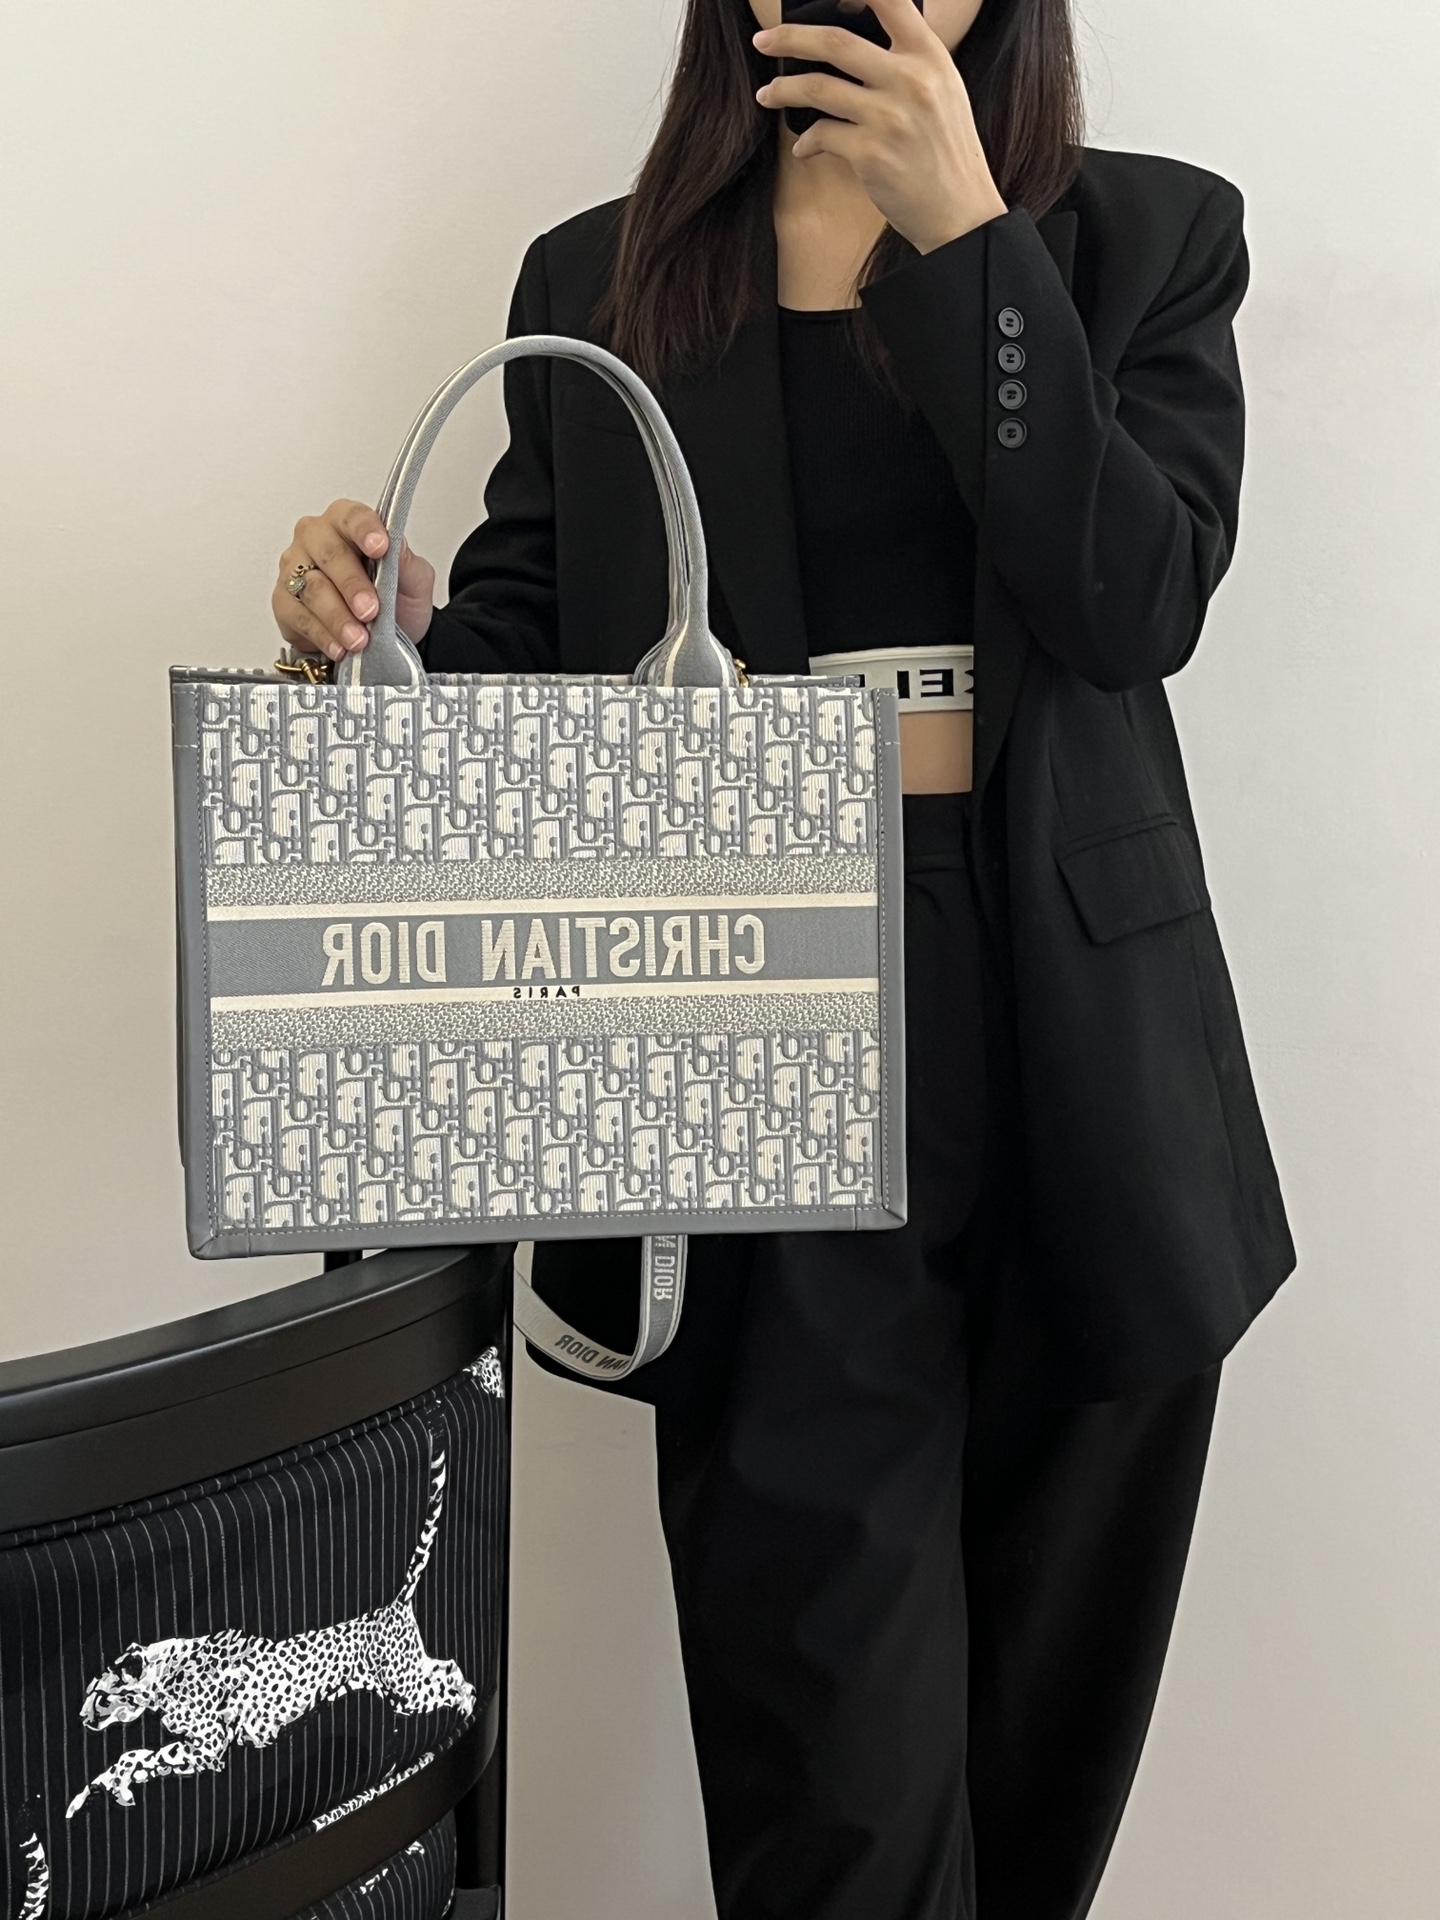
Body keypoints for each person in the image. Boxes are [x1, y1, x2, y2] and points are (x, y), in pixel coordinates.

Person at [272, 0, 1295, 1912]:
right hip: (748, 1028)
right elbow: (521, 670)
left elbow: (1134, 599)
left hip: (1089, 1068)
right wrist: (382, 636)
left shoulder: (1150, 236)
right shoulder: (607, 282)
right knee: (839, 1807)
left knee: (1037, 1797)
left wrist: (970, 240)